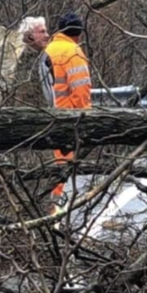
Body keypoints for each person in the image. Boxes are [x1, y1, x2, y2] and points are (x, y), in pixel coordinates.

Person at [44, 12, 93, 214]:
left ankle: (51, 206)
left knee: (54, 163)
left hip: (49, 114)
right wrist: (86, 119)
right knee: (65, 165)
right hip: (68, 118)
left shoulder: (48, 49)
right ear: (79, 33)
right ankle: (58, 211)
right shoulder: (73, 52)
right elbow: (80, 89)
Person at [12, 16, 53, 108]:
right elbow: (26, 95)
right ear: (29, 36)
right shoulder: (23, 60)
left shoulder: (41, 58)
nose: (47, 35)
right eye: (42, 32)